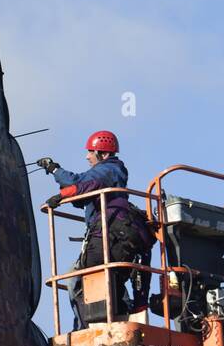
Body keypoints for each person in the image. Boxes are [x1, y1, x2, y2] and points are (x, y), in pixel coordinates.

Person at [38, 131, 151, 327]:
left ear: (104, 154)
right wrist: (56, 172)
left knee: (80, 281)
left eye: (91, 152)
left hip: (109, 235)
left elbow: (78, 184)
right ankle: (108, 320)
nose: (87, 156)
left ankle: (89, 327)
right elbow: (83, 189)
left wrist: (57, 175)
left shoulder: (109, 169)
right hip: (112, 234)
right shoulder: (108, 172)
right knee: (106, 280)